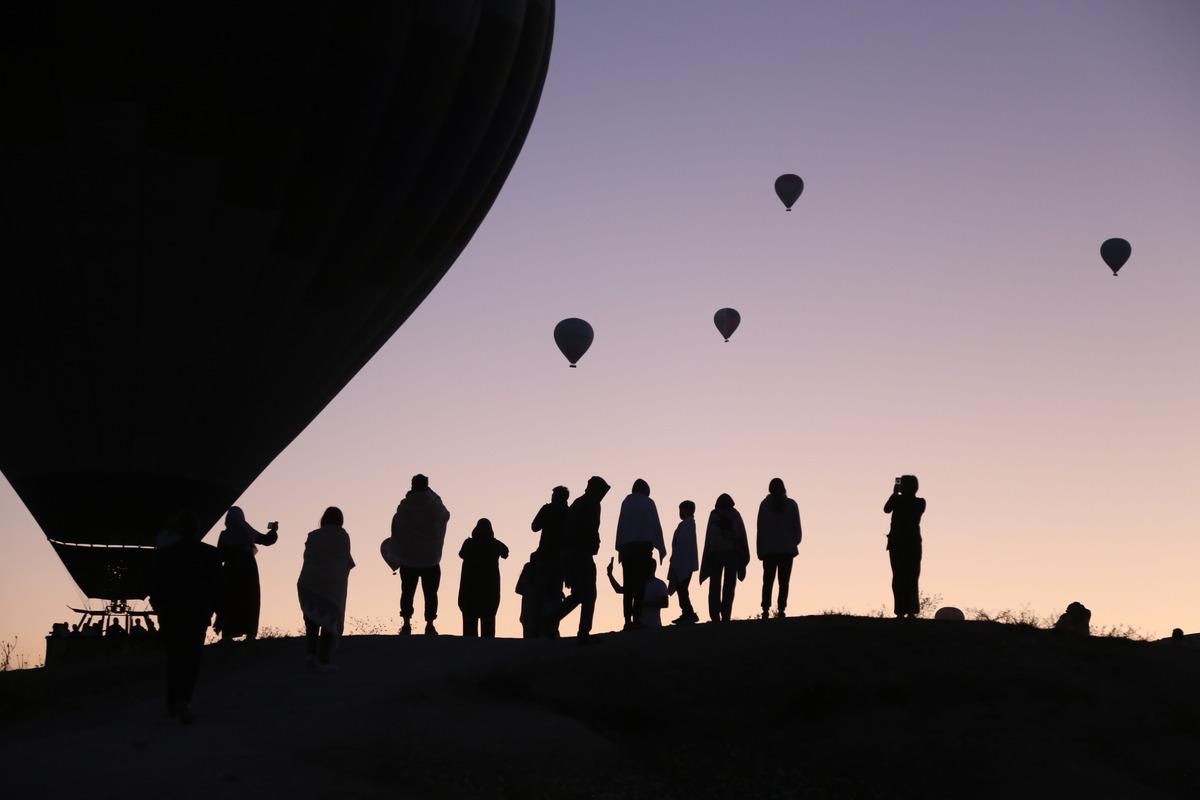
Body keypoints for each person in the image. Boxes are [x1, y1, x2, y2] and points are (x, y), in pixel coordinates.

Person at [150, 512, 221, 723]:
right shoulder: (210, 554)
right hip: (196, 613)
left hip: (172, 613)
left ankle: (174, 702)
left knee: (174, 658)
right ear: (198, 530)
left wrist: (160, 608)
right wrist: (219, 612)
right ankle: (183, 701)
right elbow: (217, 586)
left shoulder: (164, 555)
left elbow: (155, 584)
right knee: (192, 658)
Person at [390, 474, 450, 636]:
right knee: (431, 593)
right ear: (427, 486)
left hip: (409, 558)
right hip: (431, 558)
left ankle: (407, 623)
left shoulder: (405, 505)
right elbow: (446, 515)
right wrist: (432, 493)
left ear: (412, 485)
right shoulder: (434, 504)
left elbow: (396, 524)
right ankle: (430, 624)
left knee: (407, 592)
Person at [297, 507, 355, 670]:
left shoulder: (312, 536)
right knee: (330, 620)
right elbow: (345, 560)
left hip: (308, 583)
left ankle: (310, 655)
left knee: (312, 621)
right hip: (332, 587)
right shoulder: (343, 536)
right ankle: (323, 660)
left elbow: (309, 556)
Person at [213, 507, 279, 642]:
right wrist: (273, 530)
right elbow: (267, 540)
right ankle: (250, 633)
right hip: (249, 570)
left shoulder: (225, 535)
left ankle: (228, 634)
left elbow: (220, 556)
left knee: (231, 600)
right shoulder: (247, 531)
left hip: (231, 571)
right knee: (250, 598)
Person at [559, 476, 610, 642]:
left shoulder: (579, 503)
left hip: (572, 554)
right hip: (581, 554)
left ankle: (552, 620)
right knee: (588, 594)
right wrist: (595, 545)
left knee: (580, 594)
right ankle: (582, 632)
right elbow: (591, 529)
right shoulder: (592, 504)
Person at [614, 479, 666, 629]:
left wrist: (621, 547)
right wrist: (660, 546)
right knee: (640, 585)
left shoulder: (626, 502)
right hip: (643, 549)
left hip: (627, 549)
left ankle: (627, 621)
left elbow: (621, 525)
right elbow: (655, 525)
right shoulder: (649, 502)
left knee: (628, 586)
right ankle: (636, 619)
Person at [756, 478, 803, 619]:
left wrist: (760, 550)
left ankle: (765, 609)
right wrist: (794, 542)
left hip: (769, 551)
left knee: (768, 581)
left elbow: (760, 529)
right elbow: (797, 528)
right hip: (786, 550)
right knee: (784, 582)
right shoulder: (791, 505)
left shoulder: (764, 505)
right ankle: (781, 609)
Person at [699, 494, 750, 623]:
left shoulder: (720, 515)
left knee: (720, 585)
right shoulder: (729, 515)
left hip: (723, 554)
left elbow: (739, 536)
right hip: (724, 554)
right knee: (725, 585)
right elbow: (740, 536)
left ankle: (720, 614)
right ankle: (721, 614)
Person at [458, 519, 510, 638]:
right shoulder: (495, 544)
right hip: (490, 594)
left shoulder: (469, 543)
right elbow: (505, 553)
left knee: (469, 634)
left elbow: (461, 554)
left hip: (469, 594)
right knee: (488, 632)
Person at [531, 486, 571, 636]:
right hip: (560, 560)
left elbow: (534, 527)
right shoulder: (569, 512)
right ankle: (552, 628)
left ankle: (541, 628)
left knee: (542, 594)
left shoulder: (547, 509)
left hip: (545, 558)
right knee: (555, 595)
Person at [884, 475, 926, 619]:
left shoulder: (919, 502)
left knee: (908, 576)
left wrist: (895, 494)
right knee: (903, 577)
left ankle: (907, 610)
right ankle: (905, 611)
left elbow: (887, 509)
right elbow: (886, 509)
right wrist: (895, 495)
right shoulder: (914, 502)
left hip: (906, 543)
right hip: (905, 543)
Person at [606, 556, 669, 628]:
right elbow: (618, 590)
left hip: (653, 626)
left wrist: (642, 604)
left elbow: (665, 604)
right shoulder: (637, 584)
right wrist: (610, 575)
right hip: (637, 627)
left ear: (653, 568)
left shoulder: (659, 584)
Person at [667, 500, 700, 625]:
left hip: (684, 563)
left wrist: (677, 559)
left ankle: (688, 613)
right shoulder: (686, 525)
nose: (680, 513)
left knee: (682, 589)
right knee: (682, 590)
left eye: (681, 510)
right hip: (683, 562)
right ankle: (687, 613)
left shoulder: (688, 525)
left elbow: (683, 545)